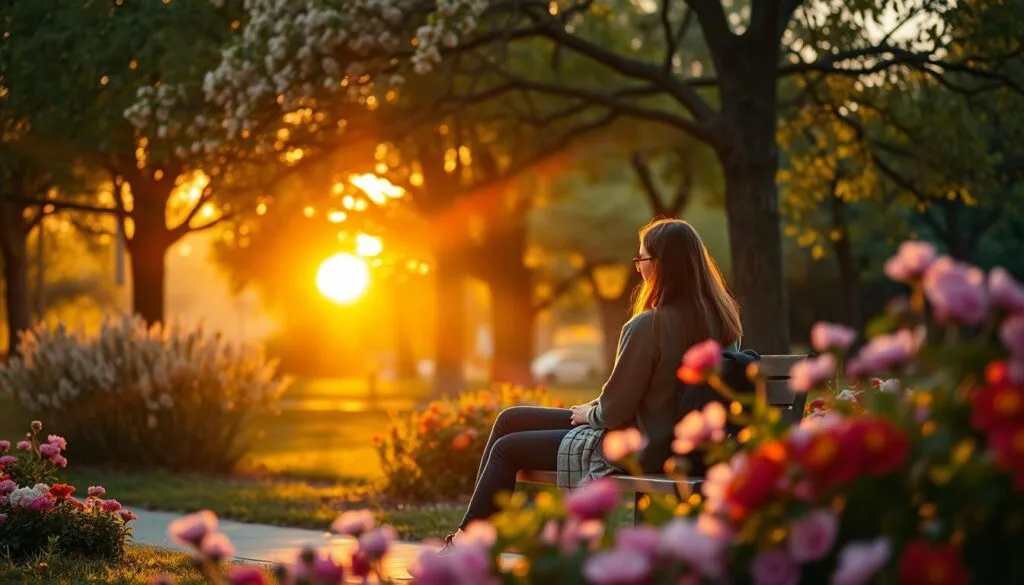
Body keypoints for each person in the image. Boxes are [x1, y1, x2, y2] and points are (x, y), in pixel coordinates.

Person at [440, 218, 742, 550]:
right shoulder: (723, 323)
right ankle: (471, 539)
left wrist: (592, 413)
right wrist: (596, 410)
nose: (639, 268)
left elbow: (614, 412)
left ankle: (466, 547)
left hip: (639, 447)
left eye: (641, 259)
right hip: (678, 443)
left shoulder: (648, 326)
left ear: (659, 265)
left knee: (507, 449)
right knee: (510, 419)